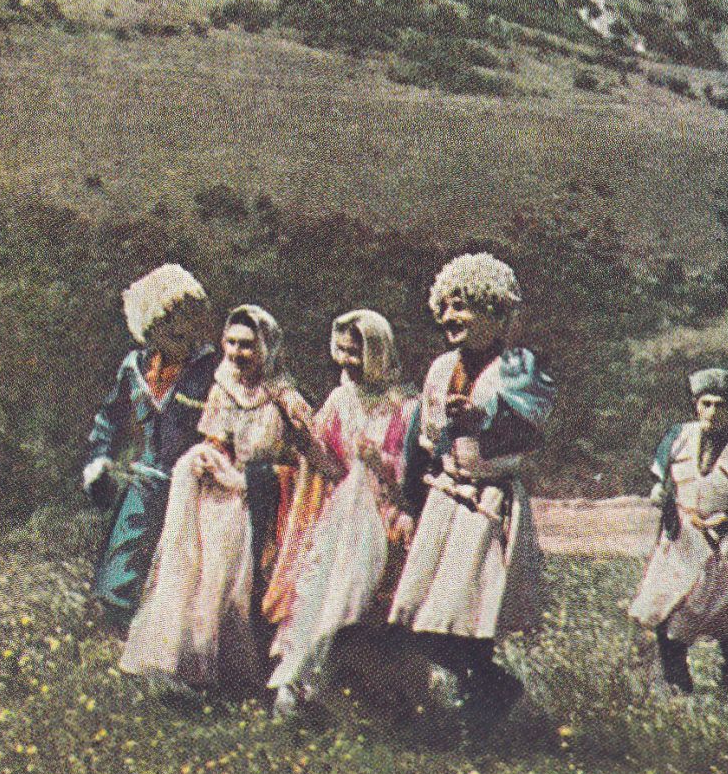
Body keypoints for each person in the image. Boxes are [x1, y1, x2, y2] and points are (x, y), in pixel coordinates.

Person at [120, 305, 336, 694]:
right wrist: (206, 459)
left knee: (231, 549)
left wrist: (263, 477)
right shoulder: (222, 387)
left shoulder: (284, 397)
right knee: (197, 549)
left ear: (267, 349)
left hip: (267, 492)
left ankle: (240, 671)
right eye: (231, 343)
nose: (237, 353)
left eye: (247, 346)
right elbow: (217, 441)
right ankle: (191, 660)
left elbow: (310, 456)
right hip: (227, 486)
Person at [388, 253, 555, 713]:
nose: (449, 317)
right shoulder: (441, 368)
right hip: (446, 497)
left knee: (471, 615)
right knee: (421, 621)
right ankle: (491, 689)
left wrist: (485, 418)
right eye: (443, 306)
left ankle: (481, 708)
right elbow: (423, 441)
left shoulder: (518, 366)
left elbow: (531, 433)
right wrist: (409, 502)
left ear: (496, 313)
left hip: (489, 501)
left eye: (460, 306)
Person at [268, 309, 420, 717]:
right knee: (324, 572)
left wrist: (381, 463)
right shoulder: (339, 399)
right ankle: (301, 673)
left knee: (357, 576)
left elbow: (413, 473)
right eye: (342, 353)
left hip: (386, 506)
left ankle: (330, 677)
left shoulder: (405, 406)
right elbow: (329, 464)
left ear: (377, 352)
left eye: (356, 354)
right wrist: (303, 442)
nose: (347, 363)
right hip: (343, 505)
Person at [82, 264, 218, 633]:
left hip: (191, 485)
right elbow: (109, 419)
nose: (182, 328)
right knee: (124, 559)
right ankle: (113, 632)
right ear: (150, 323)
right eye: (171, 318)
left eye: (189, 317)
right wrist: (99, 460)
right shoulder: (134, 368)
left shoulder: (209, 368)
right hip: (145, 480)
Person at [629, 367, 728, 693]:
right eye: (706, 403)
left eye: (721, 405)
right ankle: (678, 684)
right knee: (667, 611)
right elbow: (661, 480)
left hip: (723, 545)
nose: (713, 412)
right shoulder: (677, 438)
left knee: (727, 615)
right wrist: (663, 501)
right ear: (695, 404)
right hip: (681, 539)